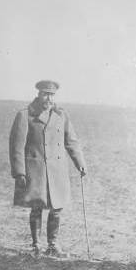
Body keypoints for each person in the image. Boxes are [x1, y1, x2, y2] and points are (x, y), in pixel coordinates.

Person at [9, 80, 87, 258]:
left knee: (57, 208)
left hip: (56, 170)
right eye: (45, 94)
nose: (48, 98)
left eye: (51, 95)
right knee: (36, 207)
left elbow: (71, 141)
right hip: (35, 171)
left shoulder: (61, 115)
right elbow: (16, 146)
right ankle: (36, 245)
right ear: (38, 94)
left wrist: (80, 163)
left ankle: (52, 244)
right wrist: (19, 172)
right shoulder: (25, 115)